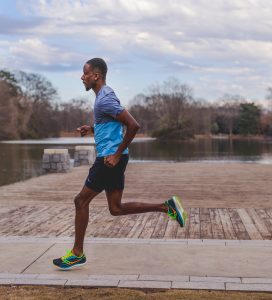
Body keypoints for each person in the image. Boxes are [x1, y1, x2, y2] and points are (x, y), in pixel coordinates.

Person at [53, 58, 187, 270]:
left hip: (108, 159)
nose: (82, 77)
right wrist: (93, 129)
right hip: (115, 157)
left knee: (80, 201)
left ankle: (77, 253)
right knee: (115, 208)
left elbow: (133, 125)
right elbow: (113, 126)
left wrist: (115, 154)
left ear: (96, 75)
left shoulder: (105, 99)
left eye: (85, 73)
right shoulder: (104, 97)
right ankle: (166, 206)